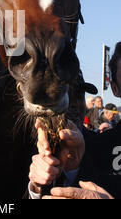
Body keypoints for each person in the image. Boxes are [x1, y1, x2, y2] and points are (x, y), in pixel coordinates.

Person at [28, 41, 121, 199]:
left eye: (78, 94)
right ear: (115, 88)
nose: (73, 104)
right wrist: (38, 186)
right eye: (64, 95)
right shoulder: (93, 149)